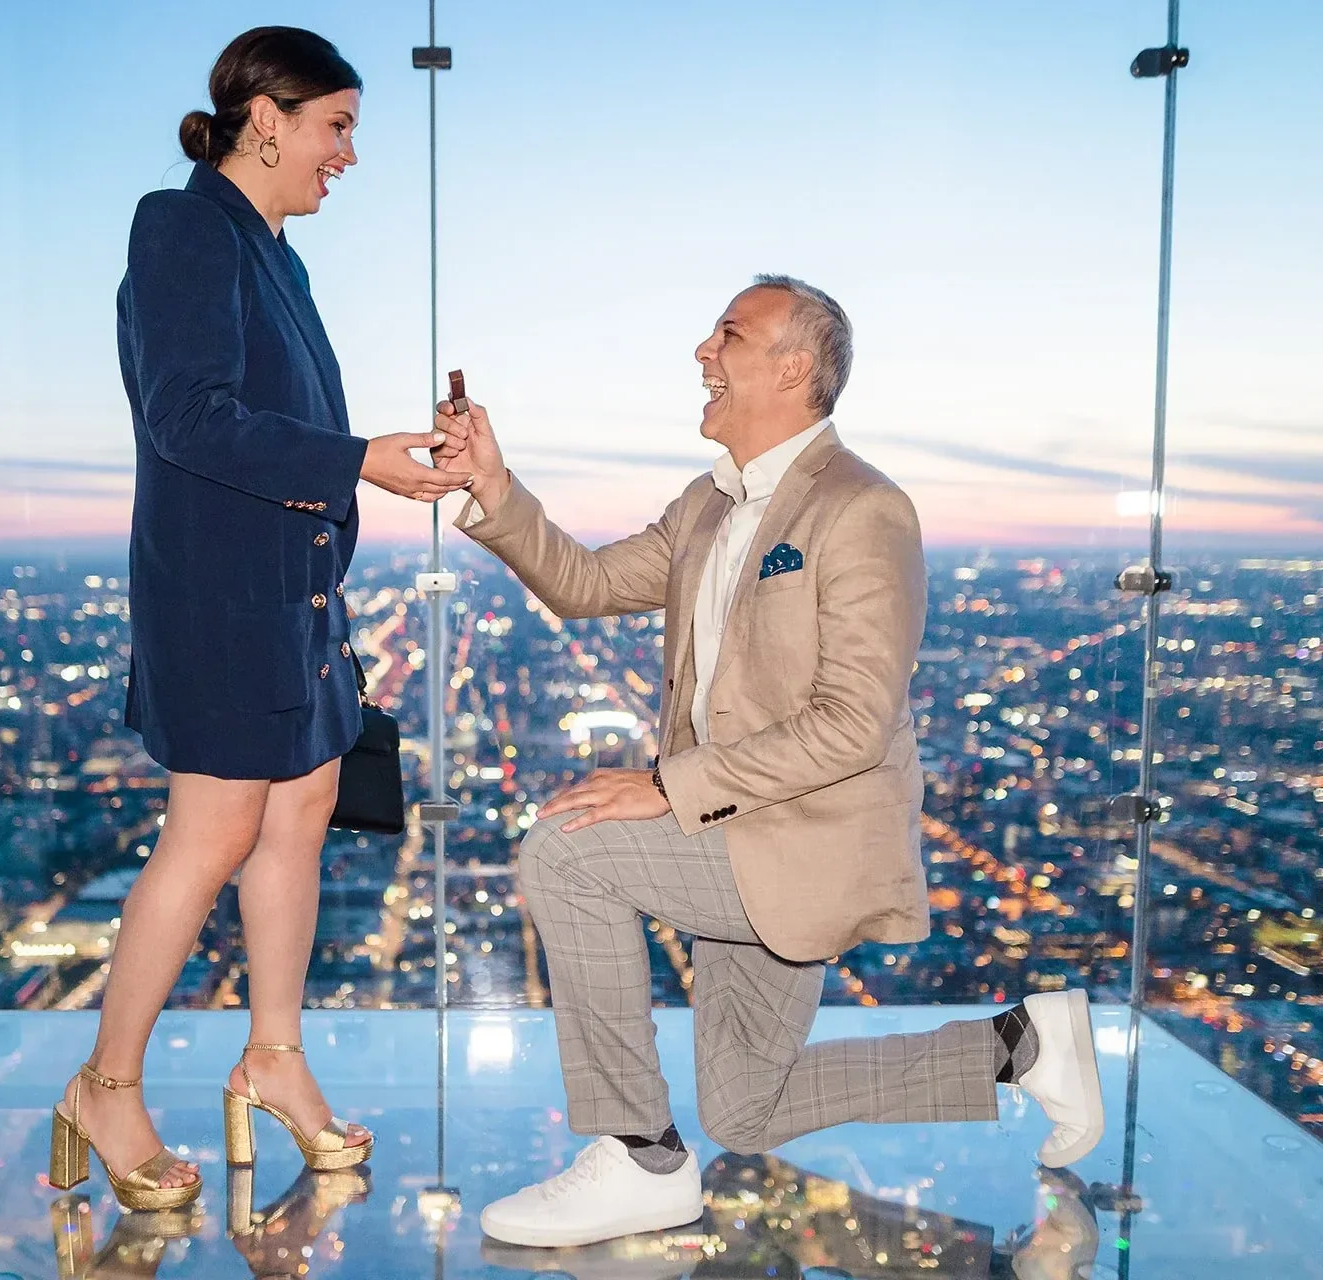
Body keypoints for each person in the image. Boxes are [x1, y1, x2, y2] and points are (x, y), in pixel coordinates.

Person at [433, 276, 1104, 1249]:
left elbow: (852, 723)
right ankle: (1022, 1043)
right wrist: (491, 483)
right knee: (746, 1108)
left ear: (793, 365)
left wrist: (665, 785)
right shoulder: (709, 506)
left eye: (729, 335)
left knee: (567, 848)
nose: (703, 352)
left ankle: (639, 1155)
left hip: (804, 838)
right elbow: (583, 583)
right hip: (738, 825)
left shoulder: (860, 508)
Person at [47, 26, 473, 1211]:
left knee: (305, 809)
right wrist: (360, 459)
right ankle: (105, 1083)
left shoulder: (275, 257)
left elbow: (264, 427)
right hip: (220, 601)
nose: (347, 155)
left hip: (289, 591)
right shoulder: (182, 224)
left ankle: (273, 1058)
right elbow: (185, 416)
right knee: (215, 830)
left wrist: (369, 464)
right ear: (265, 116)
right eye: (336, 126)